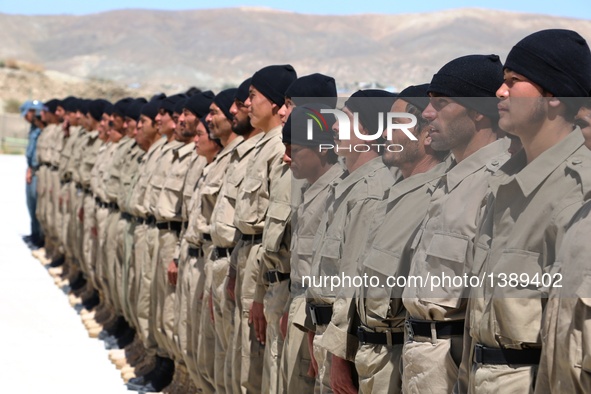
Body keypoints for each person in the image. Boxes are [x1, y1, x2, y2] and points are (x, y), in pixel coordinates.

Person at [464, 29, 591, 393]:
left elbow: (569, 344)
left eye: (514, 81)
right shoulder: (503, 184)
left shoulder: (577, 190)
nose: (500, 92)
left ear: (551, 94)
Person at [399, 54, 509, 394]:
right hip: (421, 356)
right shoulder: (450, 179)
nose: (427, 114)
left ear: (478, 111)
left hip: (454, 363)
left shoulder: (499, 181)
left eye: (442, 103)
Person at [302, 89, 397, 392]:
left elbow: (353, 281)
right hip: (325, 334)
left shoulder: (371, 191)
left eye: (346, 119)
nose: (334, 126)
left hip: (341, 346)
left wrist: (339, 358)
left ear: (367, 130)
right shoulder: (346, 185)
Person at [230, 64, 297, 393]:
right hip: (253, 262)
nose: (244, 104)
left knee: (259, 365)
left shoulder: (279, 149)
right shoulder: (261, 147)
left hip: (269, 269)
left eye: (252, 96)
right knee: (245, 359)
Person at [21, 99, 45, 248]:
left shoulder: (43, 128)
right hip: (32, 168)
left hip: (40, 171)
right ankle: (34, 234)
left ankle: (40, 238)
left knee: (38, 206)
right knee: (31, 203)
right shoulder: (33, 127)